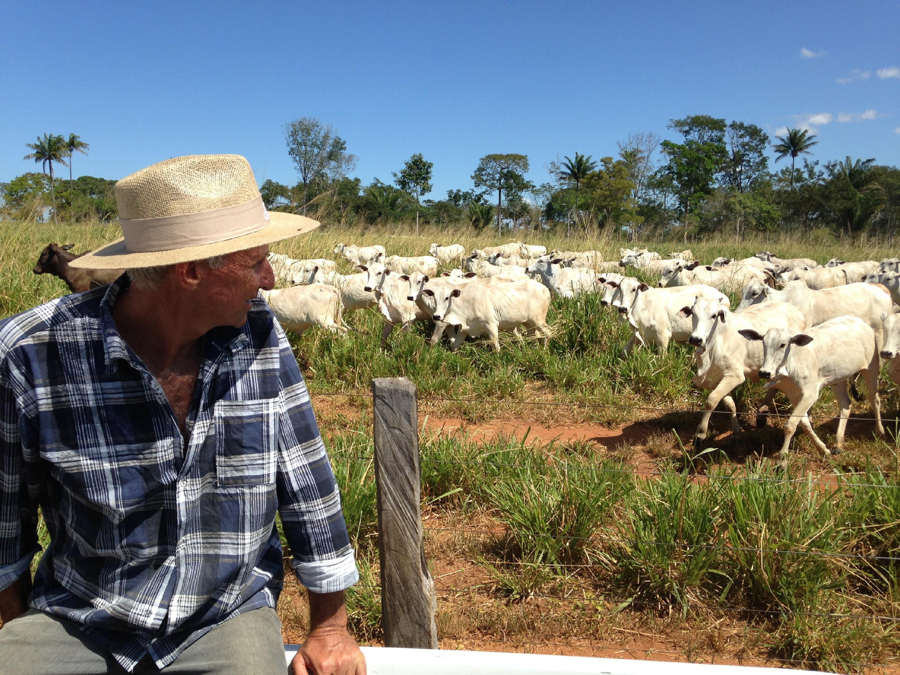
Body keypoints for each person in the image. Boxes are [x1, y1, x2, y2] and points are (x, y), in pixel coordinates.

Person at [0, 154, 365, 674]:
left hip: (223, 612)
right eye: (256, 259)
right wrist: (13, 628)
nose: (269, 277)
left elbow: (309, 487)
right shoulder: (31, 354)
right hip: (81, 615)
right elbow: (5, 516)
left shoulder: (260, 340)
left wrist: (329, 629)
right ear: (191, 272)